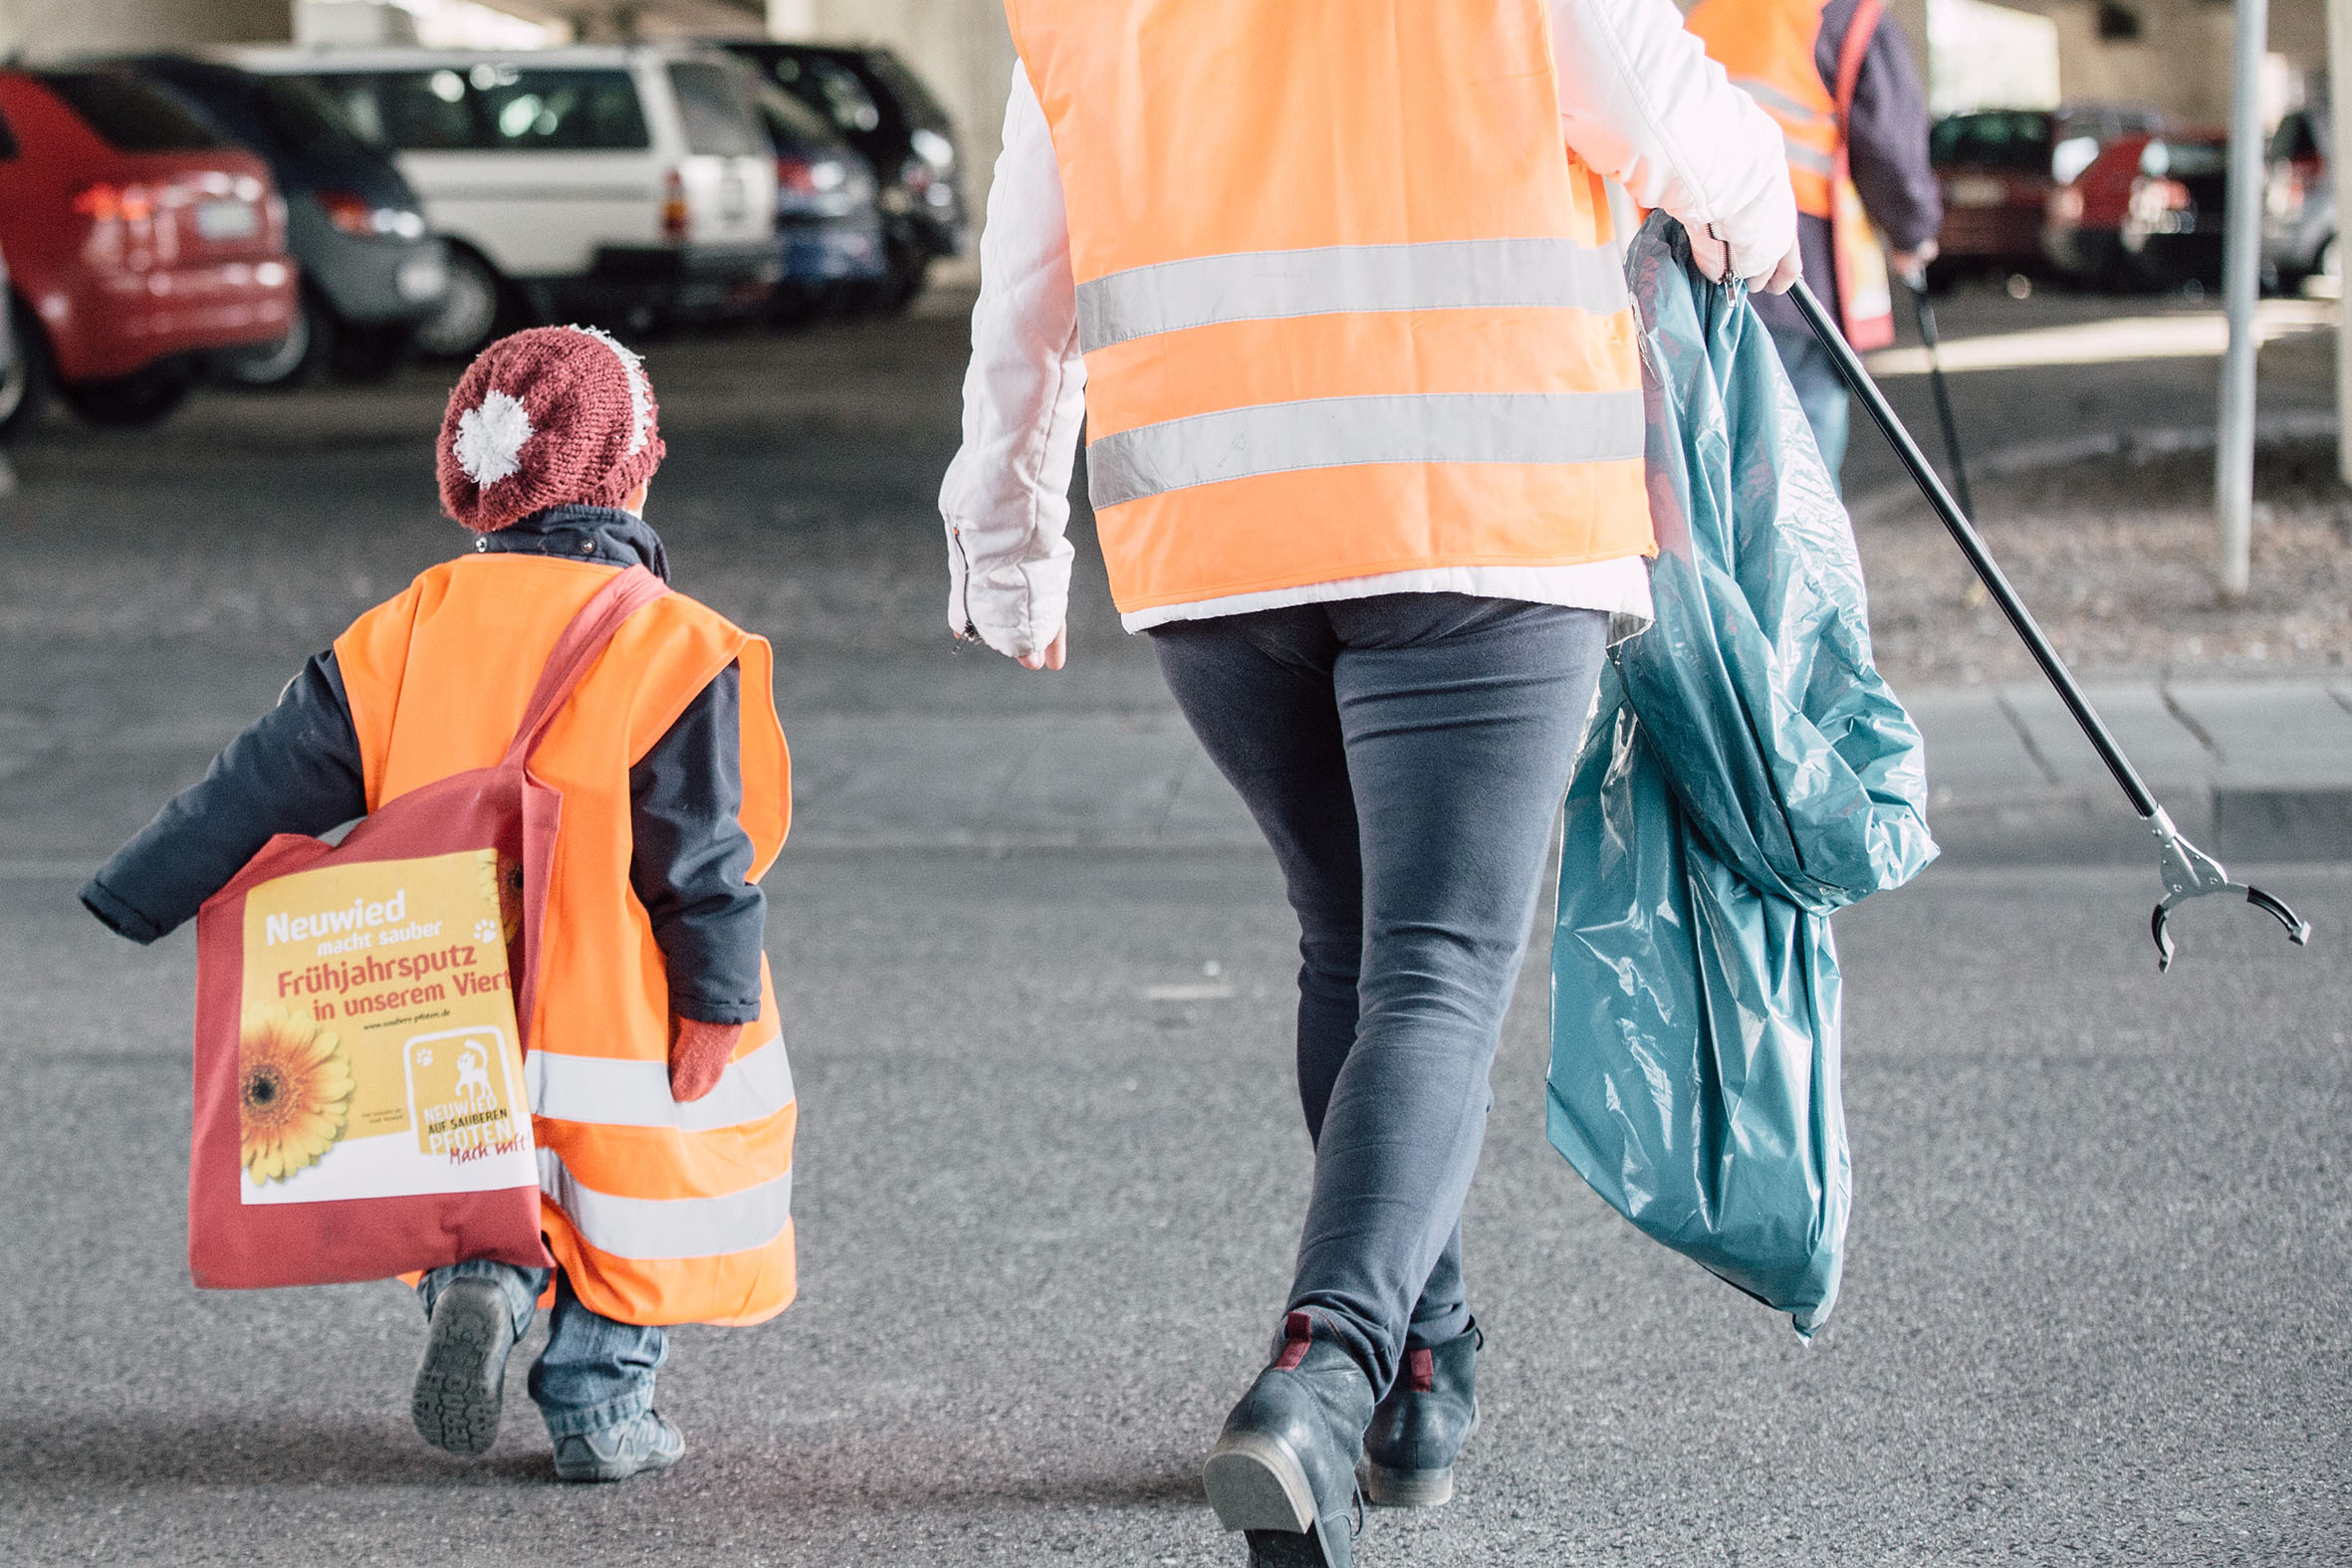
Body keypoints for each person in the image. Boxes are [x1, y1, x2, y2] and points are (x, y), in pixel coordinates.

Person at [939, 3, 1800, 1563]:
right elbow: (1652, 109)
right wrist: (1756, 204)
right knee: (1436, 966)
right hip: (1482, 500)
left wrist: (1005, 525)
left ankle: (1420, 1361)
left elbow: (1032, 259)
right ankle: (1321, 1373)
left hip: (1215, 532)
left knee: (1350, 943)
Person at [79, 326, 797, 1483]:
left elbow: (266, 777)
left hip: (442, 986)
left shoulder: (413, 624)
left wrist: (139, 888)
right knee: (631, 1201)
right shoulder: (673, 642)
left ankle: (486, 1285)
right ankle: (601, 1409)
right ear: (633, 467)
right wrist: (712, 1001)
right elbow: (697, 859)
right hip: (614, 1006)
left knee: (479, 1165)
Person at [1687, 0, 1944, 482]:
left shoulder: (1709, 12)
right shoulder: (1850, 14)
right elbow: (1891, 150)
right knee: (1800, 480)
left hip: (1695, 274)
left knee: (1714, 468)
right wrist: (1915, 232)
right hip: (1799, 281)